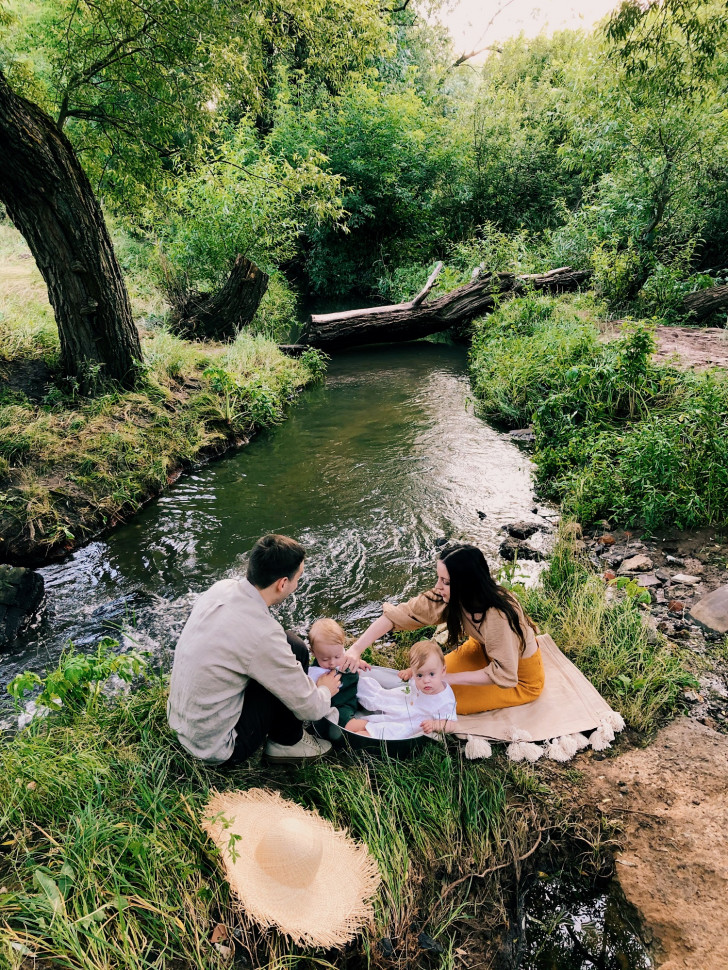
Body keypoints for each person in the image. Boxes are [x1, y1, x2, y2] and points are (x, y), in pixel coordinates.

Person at [167, 534, 342, 766]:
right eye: (298, 578)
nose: (298, 584)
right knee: (296, 650)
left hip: (181, 724)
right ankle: (286, 744)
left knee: (289, 645)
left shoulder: (222, 588)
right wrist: (325, 690)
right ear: (282, 583)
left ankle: (283, 738)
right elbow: (312, 709)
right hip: (216, 748)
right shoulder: (263, 635)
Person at [345, 544, 544, 723]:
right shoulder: (447, 597)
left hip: (519, 678)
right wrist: (355, 649)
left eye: (446, 582)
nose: (438, 587)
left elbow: (506, 674)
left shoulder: (497, 615)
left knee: (443, 702)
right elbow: (398, 615)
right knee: (423, 687)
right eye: (439, 579)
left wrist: (447, 679)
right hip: (480, 651)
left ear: (466, 584)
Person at [348, 639, 457, 739]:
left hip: (413, 720)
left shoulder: (445, 699)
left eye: (432, 674)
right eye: (419, 675)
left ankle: (366, 735)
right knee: (380, 696)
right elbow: (416, 669)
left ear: (443, 671)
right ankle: (351, 680)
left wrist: (435, 725)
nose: (426, 680)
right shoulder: (420, 674)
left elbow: (451, 724)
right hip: (404, 703)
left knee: (392, 728)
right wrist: (409, 672)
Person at [307, 618, 360, 732]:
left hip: (353, 694)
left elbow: (348, 658)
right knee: (344, 721)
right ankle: (371, 727)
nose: (332, 663)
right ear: (313, 652)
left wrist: (359, 663)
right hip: (339, 705)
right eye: (325, 659)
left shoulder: (339, 653)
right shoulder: (314, 673)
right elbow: (311, 697)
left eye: (337, 657)